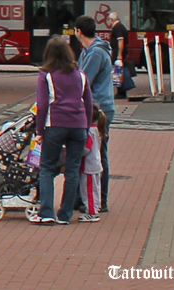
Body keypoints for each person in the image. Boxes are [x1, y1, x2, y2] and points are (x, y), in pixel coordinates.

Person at [28, 35, 93, 225]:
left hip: (55, 124)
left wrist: (40, 132)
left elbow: (42, 105)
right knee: (72, 170)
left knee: (47, 168)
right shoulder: (81, 75)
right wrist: (86, 126)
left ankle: (47, 212)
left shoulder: (46, 75)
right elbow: (88, 102)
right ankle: (65, 214)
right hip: (79, 125)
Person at [75, 15, 116, 213]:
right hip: (93, 107)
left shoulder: (95, 54)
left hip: (99, 109)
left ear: (78, 31)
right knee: (89, 151)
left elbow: (83, 82)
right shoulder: (88, 51)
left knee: (98, 154)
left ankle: (101, 199)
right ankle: (83, 197)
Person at [79, 105, 108, 222]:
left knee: (88, 190)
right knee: (94, 189)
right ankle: (95, 207)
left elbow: (86, 149)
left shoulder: (88, 132)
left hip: (89, 165)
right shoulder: (96, 130)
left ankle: (92, 212)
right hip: (95, 164)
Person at [107, 11, 130, 98]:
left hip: (118, 54)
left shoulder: (118, 28)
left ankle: (121, 92)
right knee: (118, 72)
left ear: (112, 19)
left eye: (109, 20)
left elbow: (121, 41)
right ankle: (120, 91)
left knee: (118, 72)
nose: (109, 22)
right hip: (118, 53)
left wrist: (119, 55)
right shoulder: (120, 27)